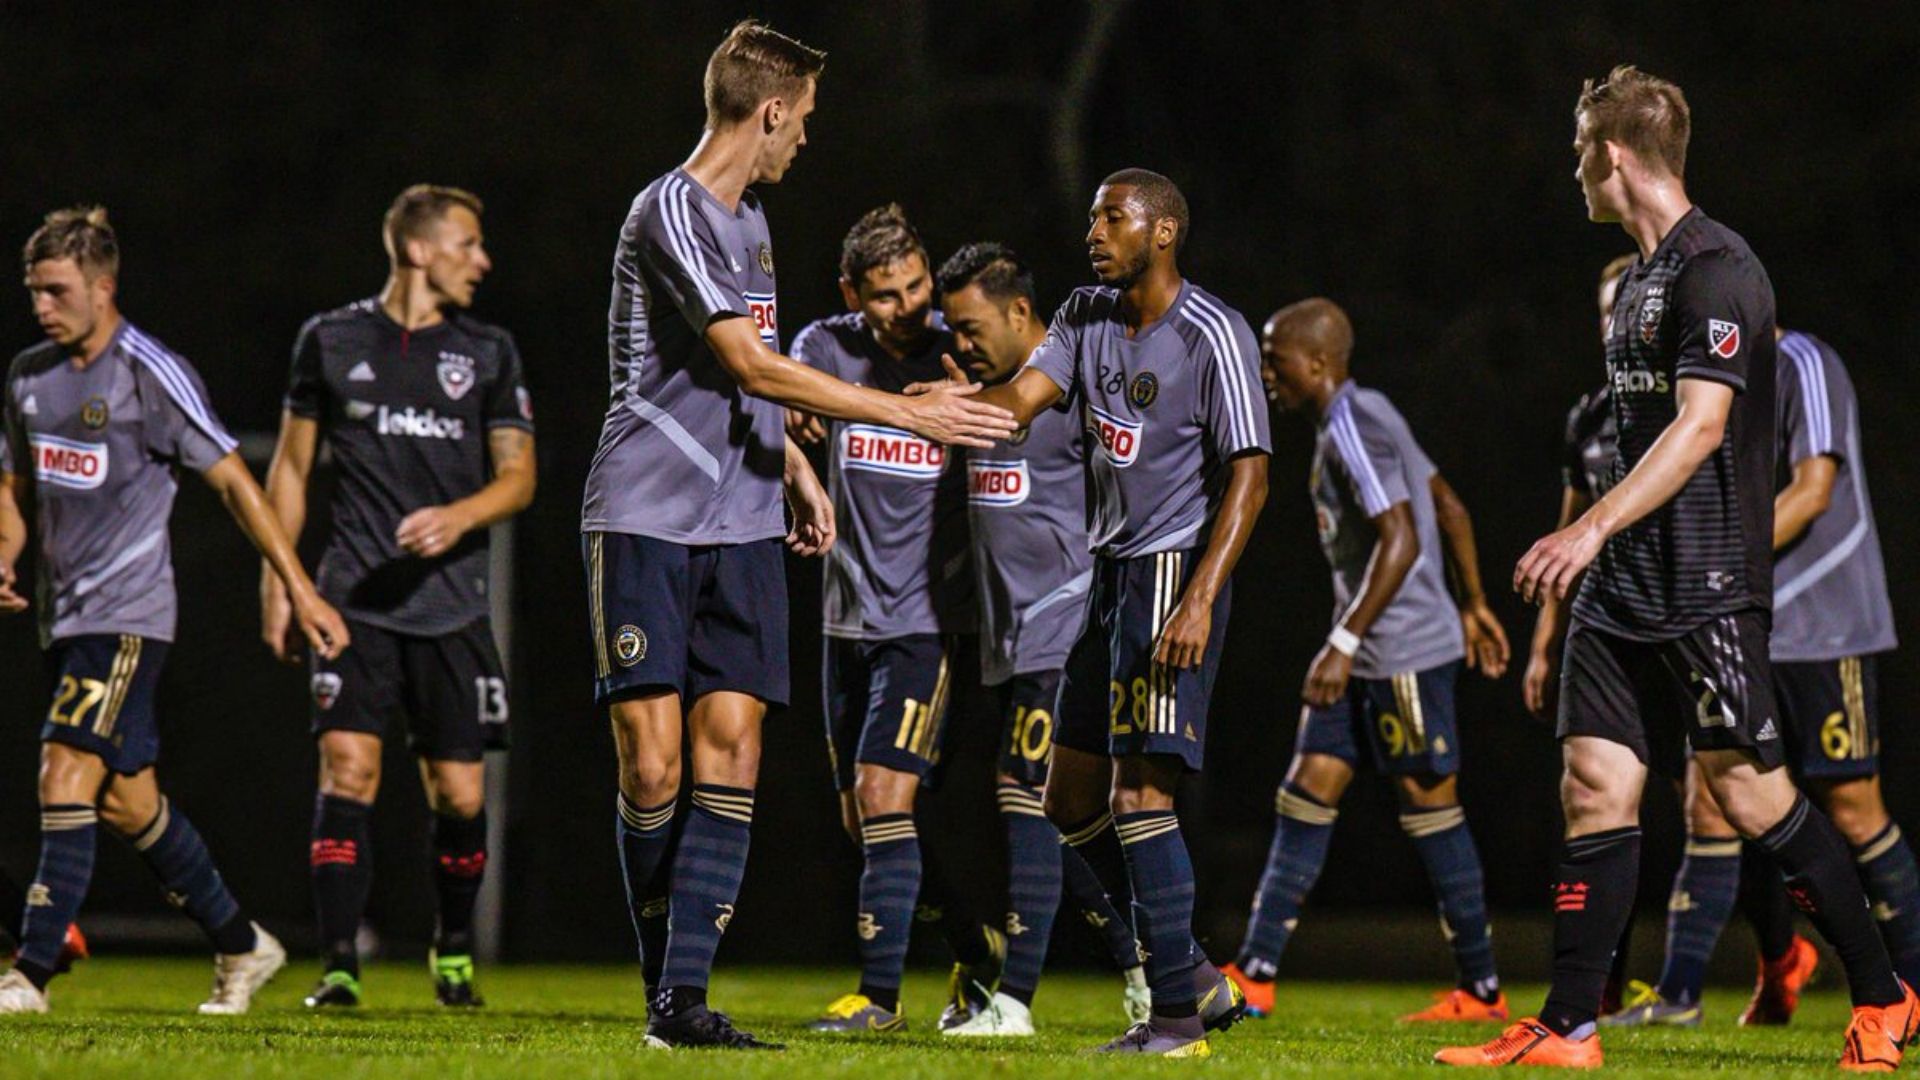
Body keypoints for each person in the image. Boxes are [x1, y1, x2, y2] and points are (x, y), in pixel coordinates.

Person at [1439, 65, 1916, 1069]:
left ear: (1613, 155)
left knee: (1754, 802)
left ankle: (1885, 996)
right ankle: (1570, 1026)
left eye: (1578, 150)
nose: (1572, 169)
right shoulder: (1639, 282)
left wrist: (1587, 529)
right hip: (1622, 595)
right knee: (1593, 787)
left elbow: (1701, 430)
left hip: (1704, 588)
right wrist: (1599, 552)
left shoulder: (1721, 269)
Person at [579, 20, 1014, 1050]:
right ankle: (658, 976)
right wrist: (910, 413)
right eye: (804, 120)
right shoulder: (673, 210)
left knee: (732, 752)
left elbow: (766, 381)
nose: (805, 140)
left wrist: (798, 473)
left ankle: (682, 1005)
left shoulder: (757, 224)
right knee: (653, 770)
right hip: (644, 514)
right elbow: (750, 363)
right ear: (769, 111)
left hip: (741, 524)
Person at [925, 168, 1270, 1056]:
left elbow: (1250, 477)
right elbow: (1019, 407)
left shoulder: (1213, 333)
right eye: (1091, 218)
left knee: (1142, 792)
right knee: (1070, 793)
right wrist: (942, 409)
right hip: (1108, 576)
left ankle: (1176, 1020)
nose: (1094, 232)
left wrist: (1198, 595)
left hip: (1168, 572)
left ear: (1162, 233)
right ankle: (1189, 973)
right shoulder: (1082, 315)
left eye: (1112, 218)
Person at [0, 206, 350, 1015]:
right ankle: (241, 943)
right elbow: (15, 485)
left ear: (103, 287)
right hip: (65, 616)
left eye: (56, 292)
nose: (41, 308)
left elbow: (234, 481)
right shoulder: (28, 375)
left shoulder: (148, 372)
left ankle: (33, 971)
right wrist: (8, 549)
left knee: (65, 771)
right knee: (129, 801)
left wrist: (298, 587)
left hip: (127, 616)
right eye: (33, 293)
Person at [261, 185, 537, 1008]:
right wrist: (283, 583)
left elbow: (519, 477)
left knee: (457, 794)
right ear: (420, 250)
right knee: (347, 771)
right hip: (353, 604)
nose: (482, 261)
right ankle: (340, 963)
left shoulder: (489, 352)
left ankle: (453, 947)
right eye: (469, 244)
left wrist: (459, 516)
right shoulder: (331, 340)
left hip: (450, 609)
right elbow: (291, 468)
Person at [1601, 323, 1915, 1029]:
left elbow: (1814, 490)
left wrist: (1712, 560)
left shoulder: (1801, 361)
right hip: (1740, 624)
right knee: (1711, 801)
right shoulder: (1704, 386)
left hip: (1826, 623)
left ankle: (1909, 988)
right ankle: (1680, 995)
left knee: (1852, 805)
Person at [1225, 297, 1510, 1023]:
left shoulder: (1352, 422)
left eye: (1275, 358)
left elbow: (1403, 536)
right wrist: (1474, 601)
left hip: (1399, 653)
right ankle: (1253, 974)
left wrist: (1345, 640)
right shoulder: (1371, 411)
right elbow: (1448, 504)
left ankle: (1480, 989)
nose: (1266, 374)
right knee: (1306, 789)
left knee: (1430, 805)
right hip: (1368, 651)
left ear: (1318, 362)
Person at [787, 206, 1001, 1035]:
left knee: (883, 796)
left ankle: (877, 998)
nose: (908, 306)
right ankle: (973, 946)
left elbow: (1033, 384)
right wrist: (793, 433)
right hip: (844, 619)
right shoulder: (826, 352)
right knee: (864, 819)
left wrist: (980, 389)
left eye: (916, 285)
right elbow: (767, 399)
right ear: (853, 293)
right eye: (885, 294)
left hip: (925, 622)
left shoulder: (963, 346)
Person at [934, 240, 1150, 1036]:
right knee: (1043, 812)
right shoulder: (981, 396)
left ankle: (1015, 1002)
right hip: (1002, 638)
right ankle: (1147, 963)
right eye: (952, 326)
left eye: (972, 324)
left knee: (1022, 798)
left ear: (1022, 313)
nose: (961, 340)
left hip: (1059, 627)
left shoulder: (1063, 391)